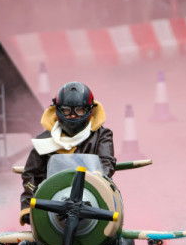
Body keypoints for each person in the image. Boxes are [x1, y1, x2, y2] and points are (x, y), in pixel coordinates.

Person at [19, 82, 116, 225]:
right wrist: (28, 207)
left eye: (79, 110)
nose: (72, 116)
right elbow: (30, 177)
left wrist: (98, 178)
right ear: (57, 110)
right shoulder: (43, 141)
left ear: (89, 110)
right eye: (66, 110)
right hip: (52, 200)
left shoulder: (103, 135)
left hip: (92, 196)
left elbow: (106, 164)